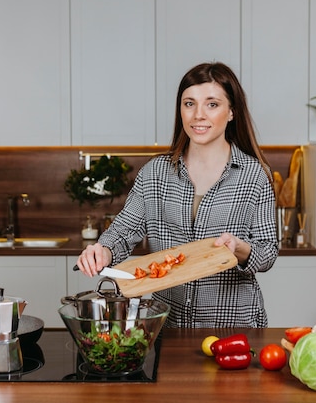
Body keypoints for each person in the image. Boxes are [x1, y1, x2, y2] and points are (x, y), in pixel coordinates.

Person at [75, 62, 279, 328]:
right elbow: (123, 231)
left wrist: (238, 249)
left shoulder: (254, 175)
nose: (198, 115)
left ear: (231, 112)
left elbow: (267, 252)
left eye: (212, 104)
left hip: (233, 325)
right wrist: (103, 250)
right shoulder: (155, 173)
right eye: (189, 103)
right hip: (167, 324)